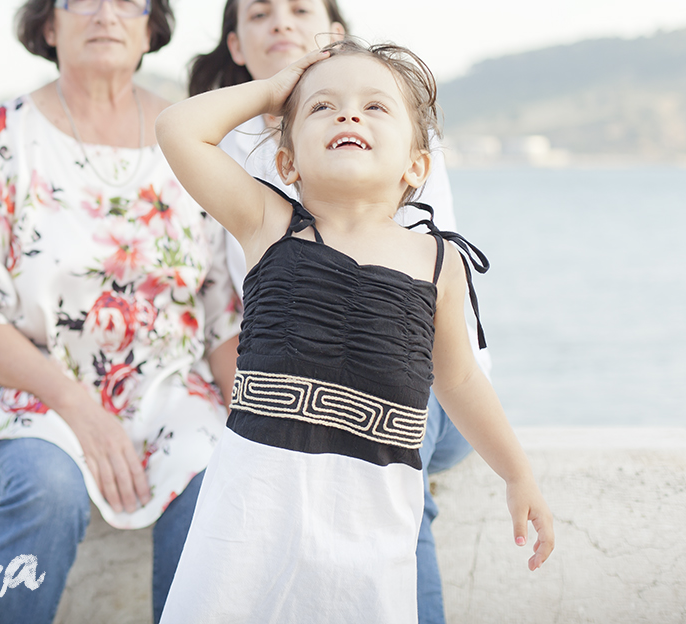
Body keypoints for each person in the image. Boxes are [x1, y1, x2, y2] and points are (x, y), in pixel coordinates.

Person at [0, 0, 242, 624]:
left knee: (224, 484)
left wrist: (253, 418)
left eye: (126, 0)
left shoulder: (189, 137)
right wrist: (82, 410)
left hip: (171, 387)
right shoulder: (3, 138)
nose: (105, 14)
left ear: (152, 27)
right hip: (31, 384)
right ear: (47, 23)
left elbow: (220, 307)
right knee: (48, 488)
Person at [154, 39, 554, 622]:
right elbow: (179, 129)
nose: (348, 115)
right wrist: (274, 89)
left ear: (416, 165)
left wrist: (518, 474)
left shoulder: (438, 264)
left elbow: (460, 379)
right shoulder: (267, 223)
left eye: (375, 106)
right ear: (287, 163)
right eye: (321, 107)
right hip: (250, 516)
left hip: (369, 522)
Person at [186, 0, 476, 623]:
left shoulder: (383, 137)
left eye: (300, 8)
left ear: (335, 29)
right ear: (237, 43)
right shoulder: (234, 157)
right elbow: (220, 297)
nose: (280, 22)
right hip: (298, 376)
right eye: (259, 13)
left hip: (417, 385)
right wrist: (275, 90)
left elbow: (426, 337)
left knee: (391, 481)